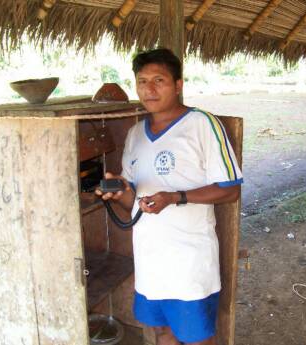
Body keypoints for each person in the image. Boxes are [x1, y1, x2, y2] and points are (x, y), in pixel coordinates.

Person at [96, 48, 243, 345]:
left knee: (197, 338)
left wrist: (175, 197)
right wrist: (119, 194)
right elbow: (134, 204)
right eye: (142, 81)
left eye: (159, 80)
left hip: (190, 263)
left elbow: (230, 190)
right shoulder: (136, 134)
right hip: (151, 261)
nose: (149, 89)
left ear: (178, 85)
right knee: (163, 332)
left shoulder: (203, 125)